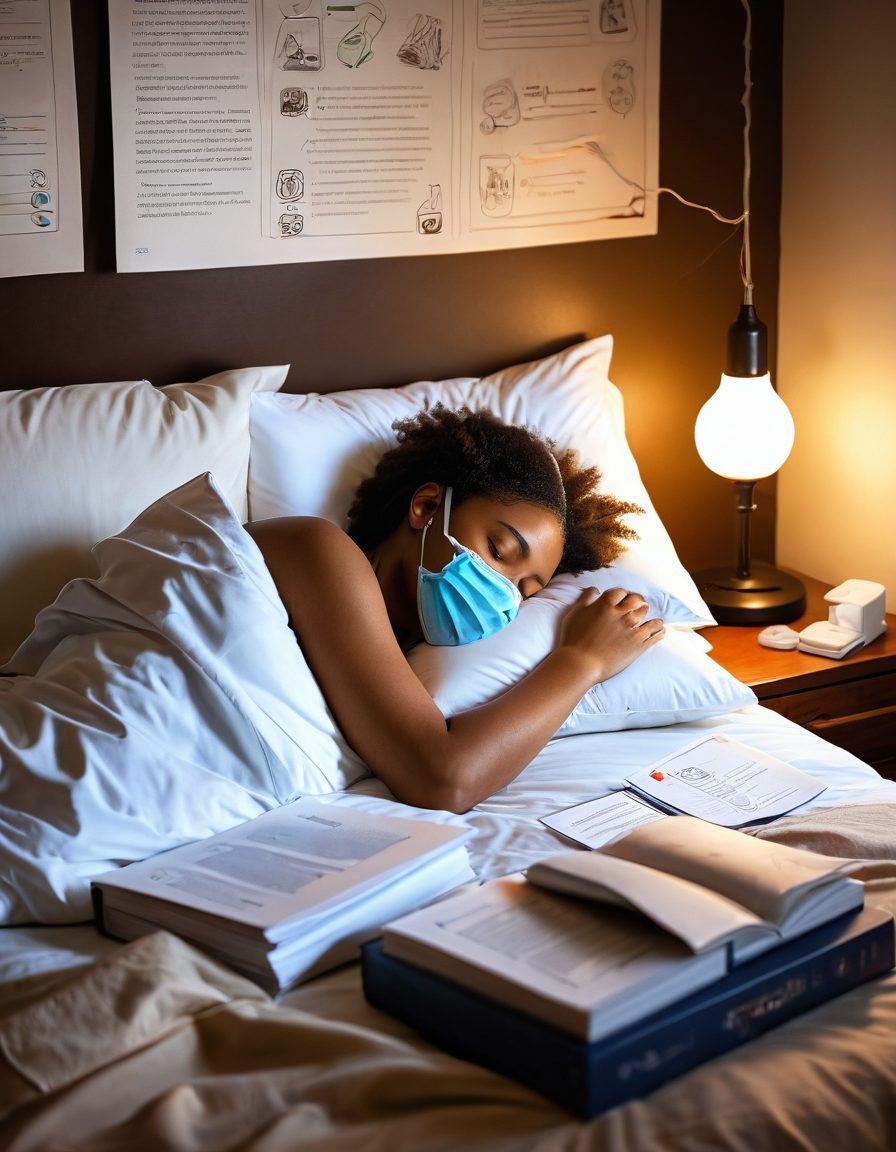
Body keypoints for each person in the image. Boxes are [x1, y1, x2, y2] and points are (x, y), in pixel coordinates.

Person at [246, 405, 665, 813]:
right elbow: (445, 779)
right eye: (498, 550)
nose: (503, 594)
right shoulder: (318, 549)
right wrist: (581, 662)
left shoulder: (408, 658)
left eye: (525, 591)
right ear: (426, 507)